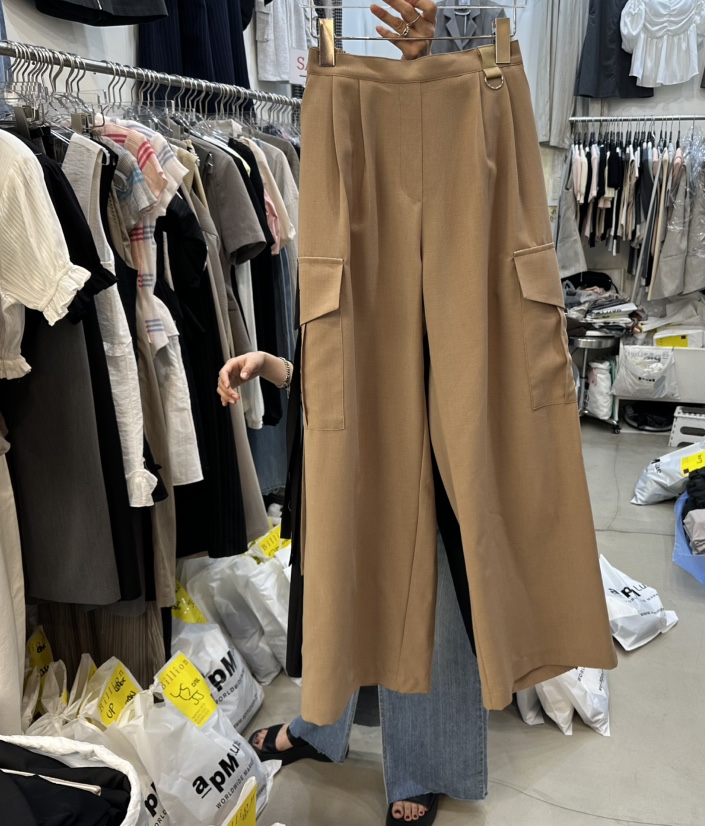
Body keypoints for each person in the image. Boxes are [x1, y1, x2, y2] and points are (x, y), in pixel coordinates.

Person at [217, 6, 488, 824]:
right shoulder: (334, 207)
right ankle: (320, 724)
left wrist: (427, 62)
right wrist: (275, 367)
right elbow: (343, 352)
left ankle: (420, 762)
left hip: (426, 437)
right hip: (342, 440)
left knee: (419, 589)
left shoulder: (428, 216)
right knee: (335, 580)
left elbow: (465, 131)